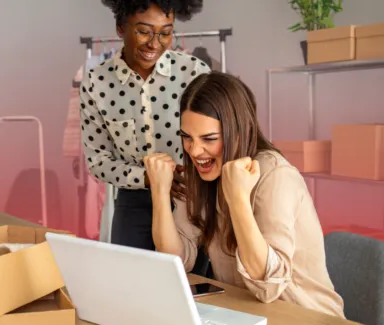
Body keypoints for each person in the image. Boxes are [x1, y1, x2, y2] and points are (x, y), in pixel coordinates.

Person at [145, 71, 346, 318]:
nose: (195, 151)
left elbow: (269, 286)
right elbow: (176, 261)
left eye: (209, 139)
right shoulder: (200, 174)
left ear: (238, 131)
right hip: (243, 313)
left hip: (305, 316)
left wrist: (238, 199)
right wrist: (159, 191)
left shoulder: (275, 174)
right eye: (187, 137)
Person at [80, 0, 208, 251]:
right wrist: (149, 178)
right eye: (143, 31)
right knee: (132, 282)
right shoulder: (97, 82)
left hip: (191, 199)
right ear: (120, 27)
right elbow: (98, 161)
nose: (154, 43)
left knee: (195, 286)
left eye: (165, 33)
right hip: (134, 202)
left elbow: (216, 138)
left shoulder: (194, 72)